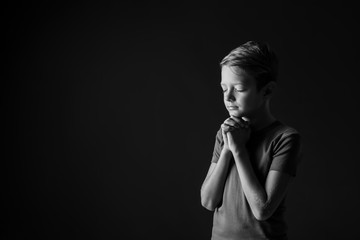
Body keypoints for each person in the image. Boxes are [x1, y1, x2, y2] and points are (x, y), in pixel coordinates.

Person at [200, 41, 302, 240]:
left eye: (238, 89)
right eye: (223, 89)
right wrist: (228, 149)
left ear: (267, 91)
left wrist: (239, 151)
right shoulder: (225, 133)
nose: (228, 97)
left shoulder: (285, 138)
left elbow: (262, 210)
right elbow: (208, 201)